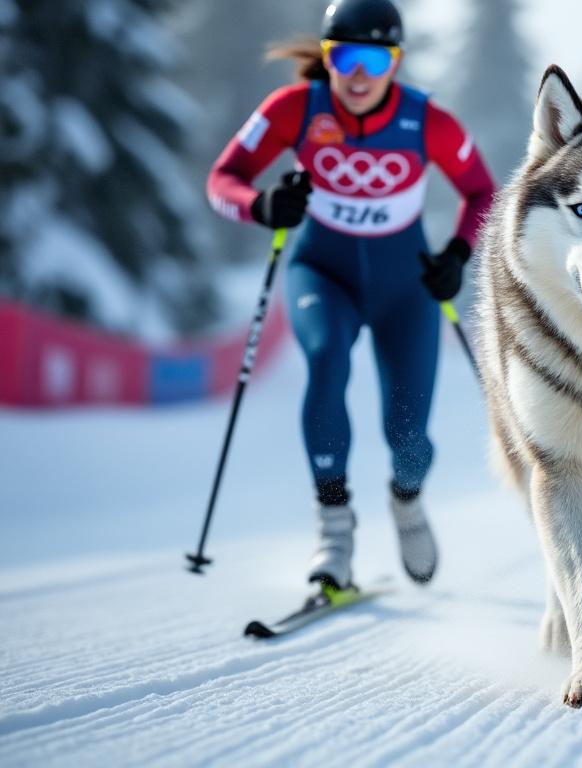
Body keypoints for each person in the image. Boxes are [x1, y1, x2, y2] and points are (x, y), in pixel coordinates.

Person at [205, 0, 494, 589]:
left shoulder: (427, 121)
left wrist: (458, 256)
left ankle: (406, 498)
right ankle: (334, 531)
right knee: (325, 362)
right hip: (322, 273)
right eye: (343, 57)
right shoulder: (295, 109)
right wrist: (259, 204)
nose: (357, 75)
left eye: (374, 59)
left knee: (409, 437)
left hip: (404, 290)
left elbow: (482, 194)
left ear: (396, 62)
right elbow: (221, 180)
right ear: (327, 58)